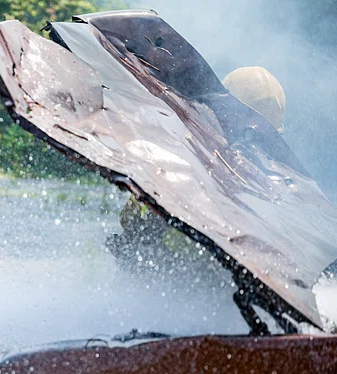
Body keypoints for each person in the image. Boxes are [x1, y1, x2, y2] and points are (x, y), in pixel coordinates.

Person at [107, 66, 286, 278]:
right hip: (164, 274)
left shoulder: (267, 186)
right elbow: (133, 216)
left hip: (197, 278)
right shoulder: (186, 154)